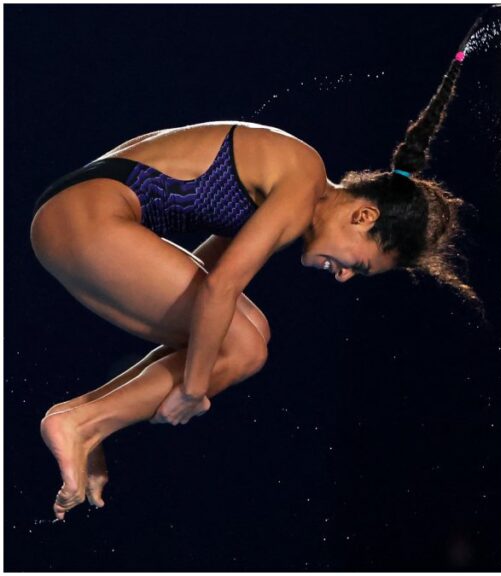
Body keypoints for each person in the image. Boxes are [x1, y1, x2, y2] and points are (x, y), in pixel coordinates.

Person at [32, 48, 477, 520]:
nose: (344, 277)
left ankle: (87, 421)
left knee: (244, 332)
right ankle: (79, 423)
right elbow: (217, 288)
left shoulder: (286, 195)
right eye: (359, 266)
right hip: (82, 219)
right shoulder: (302, 181)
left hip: (73, 217)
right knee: (244, 346)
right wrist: (193, 388)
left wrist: (170, 383)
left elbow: (200, 288)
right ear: (363, 215)